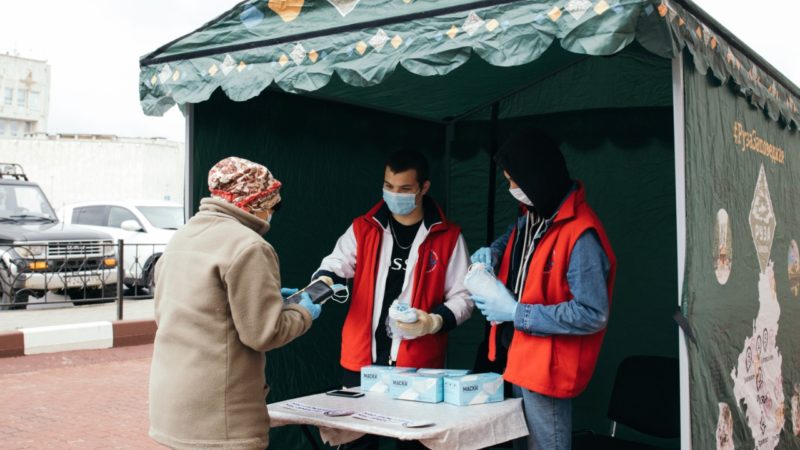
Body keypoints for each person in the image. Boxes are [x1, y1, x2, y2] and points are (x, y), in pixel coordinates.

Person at [148, 156, 321, 450]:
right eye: (272, 204)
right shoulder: (249, 246)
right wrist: (304, 310)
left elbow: (194, 310)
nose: (272, 211)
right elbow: (264, 333)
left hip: (170, 405)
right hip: (221, 416)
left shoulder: (183, 237)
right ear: (255, 201)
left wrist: (265, 301)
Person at [312, 150, 472, 450]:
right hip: (360, 360)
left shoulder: (448, 237)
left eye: (404, 189)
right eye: (388, 186)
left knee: (415, 444)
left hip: (419, 366)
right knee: (356, 443)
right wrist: (322, 283)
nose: (394, 194)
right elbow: (335, 265)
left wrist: (434, 321)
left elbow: (463, 297)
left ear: (424, 188)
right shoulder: (363, 227)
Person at [470, 130, 616, 450]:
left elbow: (592, 313)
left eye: (513, 180)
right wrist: (491, 253)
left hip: (546, 366)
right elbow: (514, 237)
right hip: (517, 354)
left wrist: (515, 312)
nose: (511, 189)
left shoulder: (581, 235)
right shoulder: (535, 211)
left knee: (546, 445)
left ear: (536, 176)